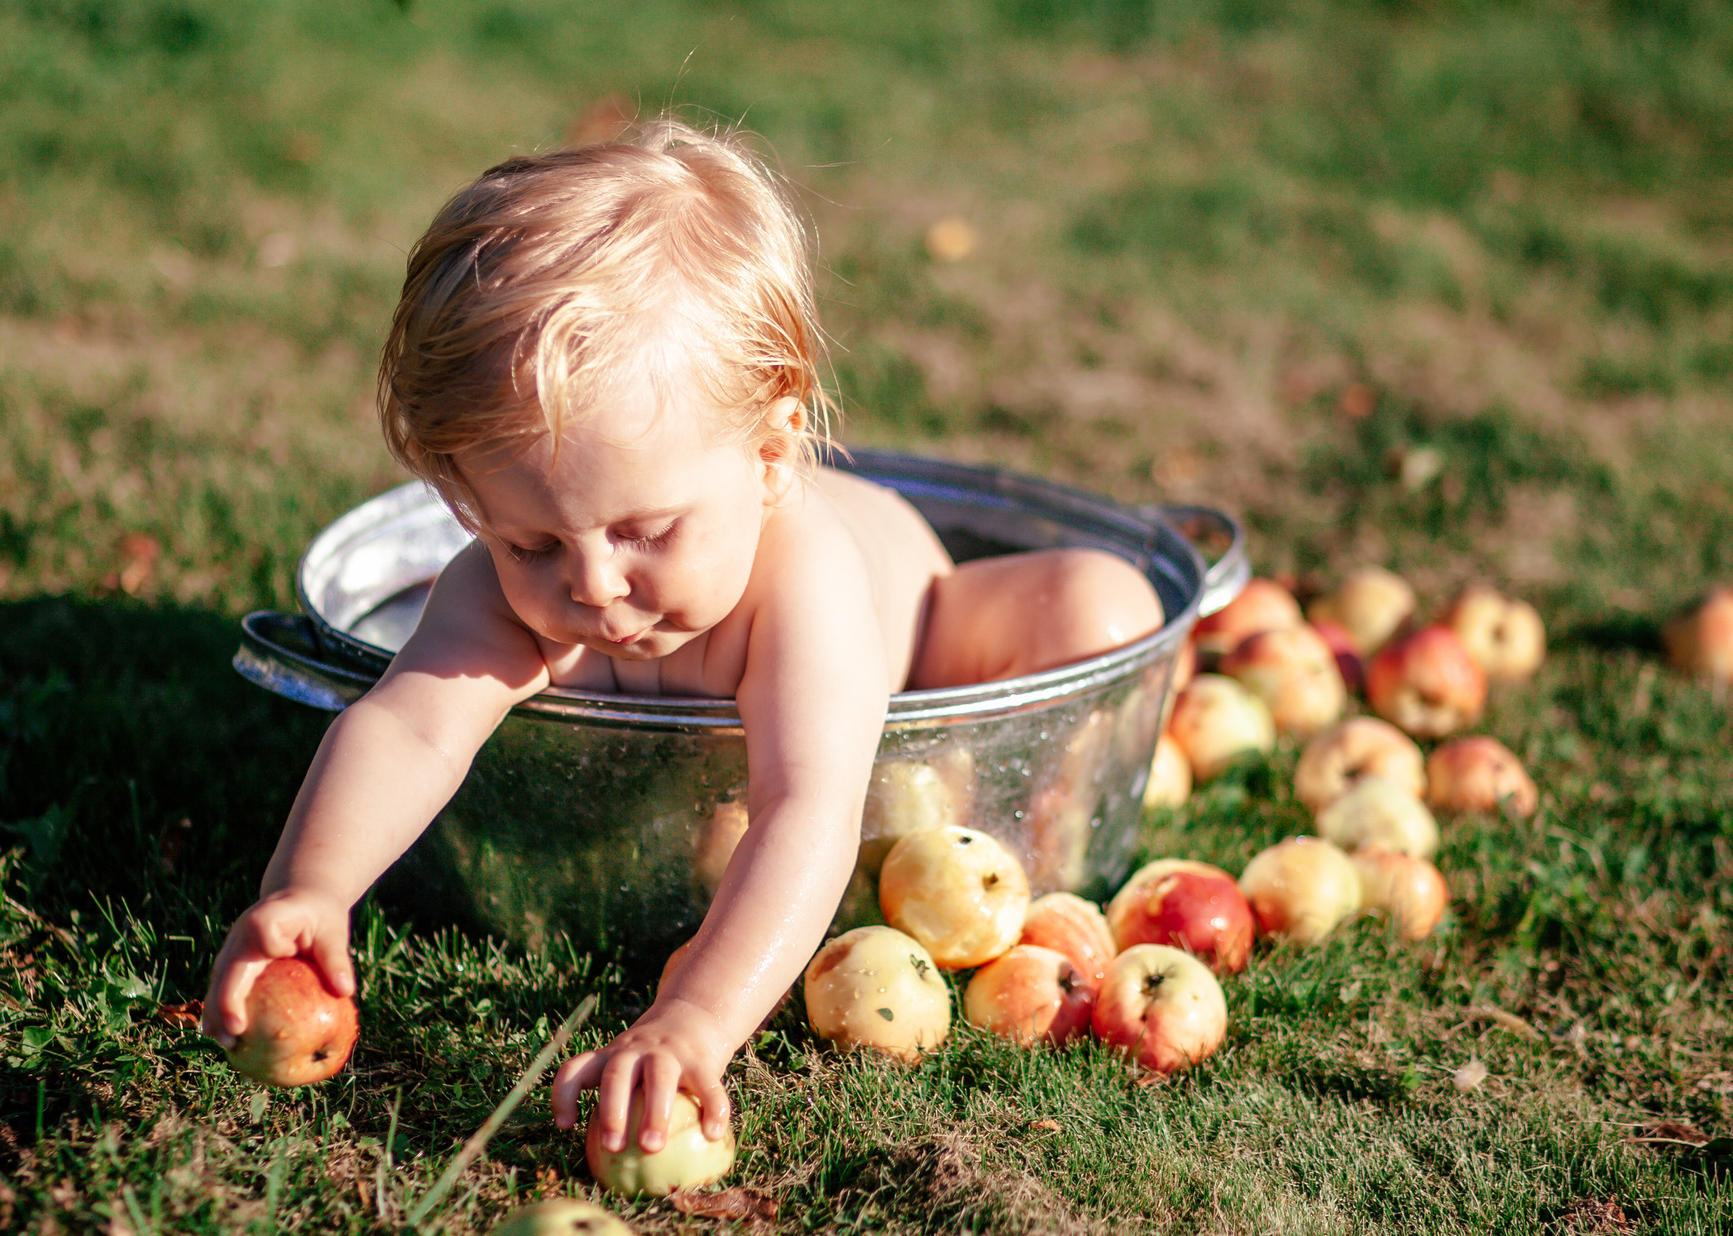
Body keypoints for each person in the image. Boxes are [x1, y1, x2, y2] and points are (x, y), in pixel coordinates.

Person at [202, 118, 1163, 1155]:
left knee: (1102, 606)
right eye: (528, 540)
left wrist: (694, 1020)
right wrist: (311, 885)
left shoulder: (805, 583)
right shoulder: (509, 586)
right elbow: (411, 726)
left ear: (767, 454)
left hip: (927, 627)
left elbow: (803, 810)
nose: (595, 586)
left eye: (646, 532)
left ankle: (1052, 781)